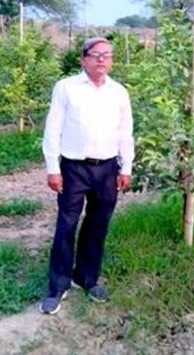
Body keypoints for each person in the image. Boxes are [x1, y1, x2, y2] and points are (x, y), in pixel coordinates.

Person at [39, 36, 134, 315]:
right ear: (83, 59)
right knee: (66, 224)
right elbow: (53, 129)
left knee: (97, 224)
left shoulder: (119, 92)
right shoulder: (66, 88)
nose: (102, 59)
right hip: (74, 168)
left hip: (107, 169)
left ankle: (86, 277)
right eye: (95, 54)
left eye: (107, 54)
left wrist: (126, 167)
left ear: (112, 60)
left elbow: (125, 132)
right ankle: (58, 286)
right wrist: (53, 168)